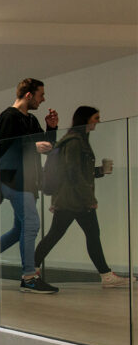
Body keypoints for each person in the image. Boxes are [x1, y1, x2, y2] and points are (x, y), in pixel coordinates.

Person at [0, 78, 59, 293]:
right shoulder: (8, 116)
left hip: (27, 179)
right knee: (32, 224)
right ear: (29, 95)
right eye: (40, 95)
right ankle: (29, 276)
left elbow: (44, 146)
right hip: (13, 179)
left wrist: (51, 128)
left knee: (20, 229)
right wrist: (31, 145)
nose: (43, 99)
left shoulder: (32, 119)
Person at [33, 106, 132, 288]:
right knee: (70, 234)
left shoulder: (78, 140)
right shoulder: (75, 142)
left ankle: (105, 274)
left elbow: (78, 171)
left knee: (81, 234)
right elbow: (73, 172)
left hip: (72, 198)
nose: (98, 121)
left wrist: (101, 171)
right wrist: (89, 199)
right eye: (96, 117)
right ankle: (31, 269)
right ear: (86, 119)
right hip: (74, 199)